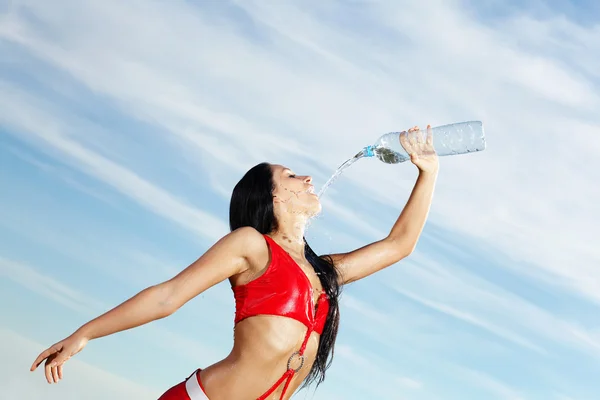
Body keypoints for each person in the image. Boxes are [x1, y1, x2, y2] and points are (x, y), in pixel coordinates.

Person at [30, 125, 439, 400]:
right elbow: (167, 297)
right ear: (274, 198)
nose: (308, 179)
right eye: (292, 176)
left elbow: (399, 245)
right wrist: (84, 334)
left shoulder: (324, 271)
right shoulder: (252, 247)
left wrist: (428, 172)